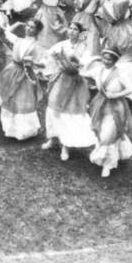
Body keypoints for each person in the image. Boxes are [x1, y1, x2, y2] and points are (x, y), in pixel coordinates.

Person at [43, 21, 97, 161]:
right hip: (61, 81)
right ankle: (53, 138)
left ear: (80, 33)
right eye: (70, 28)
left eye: (75, 29)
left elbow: (85, 65)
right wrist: (54, 69)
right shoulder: (62, 45)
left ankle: (65, 146)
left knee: (69, 112)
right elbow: (49, 57)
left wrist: (76, 64)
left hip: (75, 84)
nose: (72, 31)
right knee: (54, 108)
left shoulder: (84, 49)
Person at [87, 47, 132, 178]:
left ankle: (108, 164)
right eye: (104, 58)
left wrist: (116, 95)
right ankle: (106, 157)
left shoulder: (120, 73)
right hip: (100, 104)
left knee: (109, 134)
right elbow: (85, 72)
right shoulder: (99, 70)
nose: (106, 61)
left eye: (110, 59)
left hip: (116, 106)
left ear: (115, 60)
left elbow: (131, 89)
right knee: (100, 130)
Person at [0, 18, 43, 140]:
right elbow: (6, 33)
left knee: (22, 100)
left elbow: (40, 63)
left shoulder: (36, 46)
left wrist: (32, 63)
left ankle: (23, 130)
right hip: (13, 71)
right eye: (27, 26)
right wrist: (17, 23)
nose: (28, 29)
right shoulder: (19, 39)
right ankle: (10, 128)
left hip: (25, 75)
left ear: (37, 31)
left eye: (32, 27)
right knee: (11, 98)